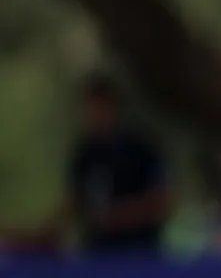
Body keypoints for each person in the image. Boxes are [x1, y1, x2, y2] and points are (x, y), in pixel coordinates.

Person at [0, 71, 171, 254]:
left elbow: (162, 200)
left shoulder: (141, 150)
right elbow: (73, 203)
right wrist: (36, 236)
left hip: (140, 252)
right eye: (90, 108)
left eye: (99, 107)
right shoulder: (85, 155)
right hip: (97, 252)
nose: (94, 115)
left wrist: (118, 216)